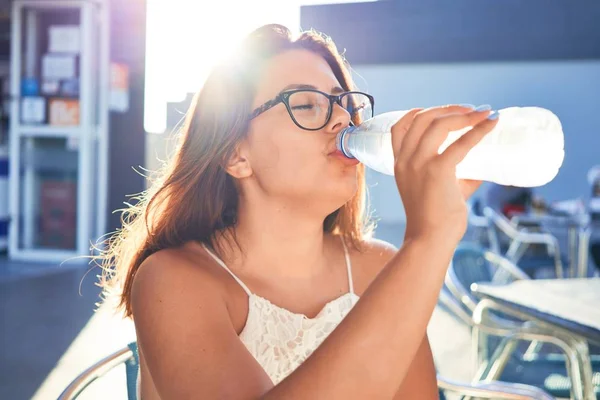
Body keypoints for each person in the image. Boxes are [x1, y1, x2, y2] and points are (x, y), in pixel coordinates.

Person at [99, 24, 498, 399]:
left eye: (344, 103)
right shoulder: (174, 280)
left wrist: (429, 240)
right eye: (306, 104)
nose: (343, 118)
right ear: (235, 154)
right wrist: (428, 240)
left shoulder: (379, 266)